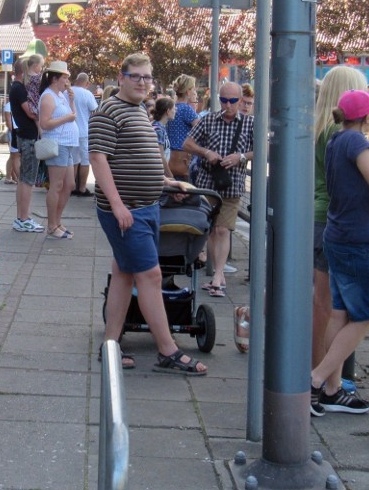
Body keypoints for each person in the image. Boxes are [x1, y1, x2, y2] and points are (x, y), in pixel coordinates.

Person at [90, 52, 207, 376]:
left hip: (147, 206)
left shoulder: (138, 109)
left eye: (147, 77)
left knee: (124, 275)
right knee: (151, 276)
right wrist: (117, 205)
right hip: (129, 211)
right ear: (122, 77)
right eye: (136, 76)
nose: (143, 82)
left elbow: (139, 157)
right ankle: (167, 350)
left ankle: (111, 344)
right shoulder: (109, 110)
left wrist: (167, 181)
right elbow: (98, 159)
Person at [310, 89, 369, 417]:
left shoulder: (336, 139)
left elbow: (354, 181)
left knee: (340, 313)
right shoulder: (356, 142)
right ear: (366, 118)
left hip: (335, 233)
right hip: (356, 239)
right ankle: (318, 380)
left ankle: (333, 390)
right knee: (363, 316)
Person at [311, 66, 369, 369]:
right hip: (333, 219)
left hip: (318, 214)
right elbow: (355, 180)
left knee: (323, 304)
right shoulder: (344, 135)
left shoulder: (321, 128)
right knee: (333, 308)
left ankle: (320, 375)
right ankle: (322, 377)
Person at [183, 81, 253, 296]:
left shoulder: (250, 123)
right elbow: (188, 144)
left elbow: (262, 150)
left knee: (223, 229)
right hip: (207, 182)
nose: (228, 105)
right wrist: (206, 153)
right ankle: (217, 272)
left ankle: (218, 275)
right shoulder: (209, 120)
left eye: (233, 101)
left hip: (232, 184)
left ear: (240, 100)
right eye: (224, 100)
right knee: (211, 230)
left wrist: (240, 157)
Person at [38, 60, 78, 240]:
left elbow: (73, 115)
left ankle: (58, 221)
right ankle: (52, 225)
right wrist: (66, 119)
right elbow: (44, 124)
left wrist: (71, 100)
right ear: (55, 78)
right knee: (57, 185)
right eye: (65, 77)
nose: (67, 80)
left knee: (69, 184)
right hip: (57, 144)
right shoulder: (48, 97)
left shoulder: (60, 95)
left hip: (68, 143)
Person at [8, 59, 44, 233]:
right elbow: (31, 112)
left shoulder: (16, 87)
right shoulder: (19, 88)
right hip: (29, 137)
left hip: (24, 136)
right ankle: (23, 218)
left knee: (24, 180)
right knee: (28, 180)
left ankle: (21, 218)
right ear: (25, 70)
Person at [165, 74, 199, 179]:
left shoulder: (172, 108)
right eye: (193, 88)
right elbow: (201, 130)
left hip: (170, 157)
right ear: (188, 92)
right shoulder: (186, 109)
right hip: (184, 159)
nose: (194, 91)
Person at [71, 71, 98, 196]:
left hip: (70, 131)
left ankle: (71, 186)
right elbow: (95, 111)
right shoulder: (87, 94)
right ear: (87, 83)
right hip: (84, 131)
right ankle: (82, 188)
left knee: (74, 160)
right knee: (85, 161)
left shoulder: (67, 92)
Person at [152, 96, 175, 178]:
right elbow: (160, 156)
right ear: (168, 111)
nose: (175, 111)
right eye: (174, 109)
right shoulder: (158, 130)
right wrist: (170, 176)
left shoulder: (160, 127)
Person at [3, 98, 19, 184]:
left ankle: (12, 176)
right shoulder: (9, 106)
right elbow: (8, 122)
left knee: (14, 156)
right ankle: (9, 176)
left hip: (17, 131)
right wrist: (14, 132)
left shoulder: (15, 105)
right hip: (14, 132)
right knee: (13, 156)